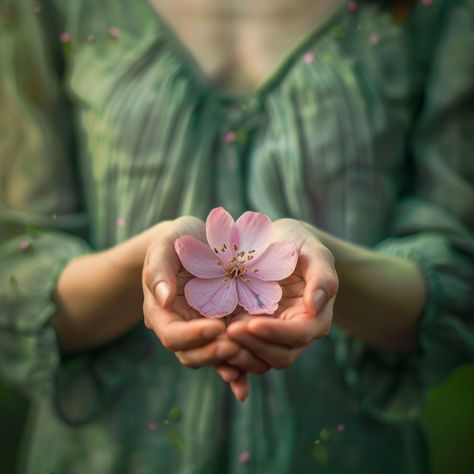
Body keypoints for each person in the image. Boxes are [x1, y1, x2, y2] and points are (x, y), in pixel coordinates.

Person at [0, 0, 473, 472]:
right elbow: (16, 273)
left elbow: (459, 274)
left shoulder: (432, 11)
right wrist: (144, 266)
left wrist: (326, 270)